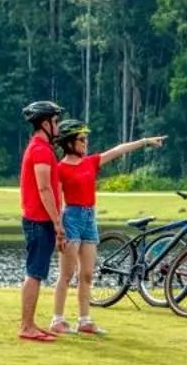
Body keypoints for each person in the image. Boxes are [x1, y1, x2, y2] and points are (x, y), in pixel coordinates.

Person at [49, 121, 166, 337]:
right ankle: (57, 319)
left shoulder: (91, 162)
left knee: (86, 274)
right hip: (71, 218)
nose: (86, 142)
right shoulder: (60, 169)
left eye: (86, 139)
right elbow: (55, 199)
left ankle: (84, 320)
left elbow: (118, 150)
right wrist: (58, 227)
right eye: (81, 139)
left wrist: (145, 142)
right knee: (66, 274)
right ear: (69, 143)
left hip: (89, 218)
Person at [18, 100, 68, 342]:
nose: (58, 126)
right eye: (56, 121)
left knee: (36, 272)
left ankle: (30, 323)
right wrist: (58, 223)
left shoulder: (43, 148)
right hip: (39, 221)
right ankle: (26, 326)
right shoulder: (39, 150)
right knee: (35, 273)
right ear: (45, 123)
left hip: (42, 220)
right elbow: (45, 189)